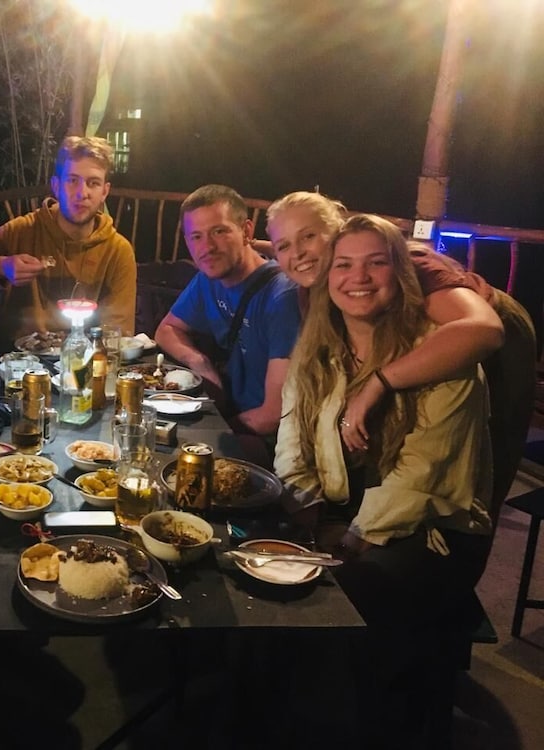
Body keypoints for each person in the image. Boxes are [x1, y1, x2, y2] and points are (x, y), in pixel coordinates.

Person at [274, 214, 493, 746]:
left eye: (377, 263)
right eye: (344, 265)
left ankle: (364, 727)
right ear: (328, 278)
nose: (359, 277)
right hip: (342, 515)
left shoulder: (442, 357)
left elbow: (420, 479)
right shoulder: (321, 346)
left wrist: (346, 543)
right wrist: (303, 513)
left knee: (348, 600)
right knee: (252, 565)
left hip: (430, 532)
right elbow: (292, 439)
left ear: (401, 274)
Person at [267, 190, 534, 514]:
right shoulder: (313, 291)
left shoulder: (412, 266)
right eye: (283, 246)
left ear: (338, 230)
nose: (298, 253)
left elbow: (485, 329)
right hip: (426, 342)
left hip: (497, 341)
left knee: (478, 466)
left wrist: (377, 383)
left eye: (309, 236)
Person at [0, 135, 137, 344]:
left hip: (84, 360)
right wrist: (0, 268)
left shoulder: (118, 250)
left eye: (93, 183)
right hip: (12, 357)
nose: (82, 193)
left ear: (105, 192)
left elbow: (117, 332)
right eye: (72, 180)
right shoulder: (20, 231)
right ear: (56, 186)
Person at [154, 184, 300, 450]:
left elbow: (273, 415)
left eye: (219, 232)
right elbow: (167, 330)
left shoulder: (282, 296)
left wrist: (212, 431)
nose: (207, 247)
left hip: (270, 440)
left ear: (246, 231)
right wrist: (201, 363)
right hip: (232, 412)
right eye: (196, 236)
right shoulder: (209, 278)